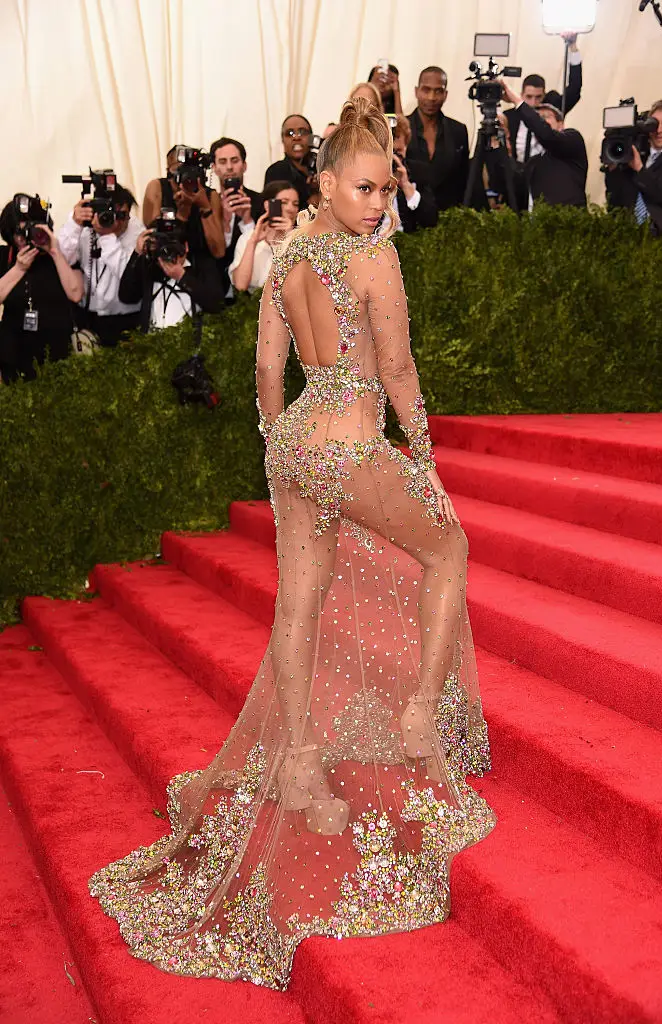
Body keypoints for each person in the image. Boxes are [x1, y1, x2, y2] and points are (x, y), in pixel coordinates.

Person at [89, 96, 496, 990]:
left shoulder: (285, 254)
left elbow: (268, 370)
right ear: (327, 182)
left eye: (385, 191)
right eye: (364, 189)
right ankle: (419, 713)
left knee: (300, 604)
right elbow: (396, 368)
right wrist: (424, 454)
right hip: (348, 444)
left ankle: (302, 763)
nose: (378, 206)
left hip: (296, 446)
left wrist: (281, 443)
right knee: (449, 550)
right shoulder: (375, 258)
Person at [0, 195, 83, 382]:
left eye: (30, 230)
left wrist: (55, 251)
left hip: (57, 353)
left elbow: (76, 294)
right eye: (19, 232)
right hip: (14, 353)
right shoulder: (5, 256)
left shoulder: (61, 254)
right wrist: (18, 269)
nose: (24, 238)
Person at [57, 184, 144, 347]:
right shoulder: (86, 228)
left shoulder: (137, 232)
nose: (116, 222)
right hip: (87, 318)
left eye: (122, 215)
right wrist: (74, 224)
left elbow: (130, 277)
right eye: (110, 214)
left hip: (125, 320)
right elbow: (62, 260)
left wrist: (107, 237)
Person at [118, 221, 224, 332]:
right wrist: (137, 253)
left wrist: (182, 276)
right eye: (162, 247)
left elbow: (216, 304)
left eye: (173, 247)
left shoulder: (202, 268)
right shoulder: (150, 267)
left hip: (189, 339)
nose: (168, 253)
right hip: (152, 339)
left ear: (186, 247)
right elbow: (126, 296)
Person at [501, 83, 587, 209]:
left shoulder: (573, 139)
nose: (542, 121)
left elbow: (547, 135)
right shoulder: (534, 161)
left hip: (568, 219)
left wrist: (516, 101)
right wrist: (502, 148)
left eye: (546, 117)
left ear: (561, 124)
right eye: (539, 118)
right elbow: (515, 182)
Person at [604, 99, 662, 236]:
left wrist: (640, 170)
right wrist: (613, 167)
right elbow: (614, 198)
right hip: (624, 233)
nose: (659, 130)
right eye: (654, 124)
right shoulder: (632, 153)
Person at [505, 34, 583, 165]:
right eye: (529, 97)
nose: (533, 103)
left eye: (538, 97)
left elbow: (574, 88)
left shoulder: (552, 111)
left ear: (544, 95)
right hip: (517, 171)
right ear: (521, 95)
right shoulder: (510, 116)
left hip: (546, 171)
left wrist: (573, 47)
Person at [142, 146, 225, 260]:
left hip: (201, 263)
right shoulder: (158, 187)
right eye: (179, 167)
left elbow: (219, 251)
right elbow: (154, 241)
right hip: (167, 261)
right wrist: (181, 215)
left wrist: (205, 207)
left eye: (190, 168)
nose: (185, 173)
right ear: (169, 170)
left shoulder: (209, 195)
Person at [406, 66, 469, 211]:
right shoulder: (400, 130)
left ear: (445, 94)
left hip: (448, 216)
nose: (431, 97)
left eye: (438, 91)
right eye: (426, 90)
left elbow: (463, 178)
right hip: (408, 215)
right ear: (416, 91)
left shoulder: (458, 131)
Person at [209, 136, 264, 298]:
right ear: (214, 168)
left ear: (244, 165)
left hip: (251, 292)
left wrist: (247, 222)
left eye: (234, 160)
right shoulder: (207, 206)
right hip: (216, 291)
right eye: (223, 162)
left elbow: (263, 252)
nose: (229, 167)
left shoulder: (260, 202)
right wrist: (225, 222)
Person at [229, 181, 299, 293]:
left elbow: (298, 285)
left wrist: (289, 238)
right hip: (252, 302)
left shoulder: (301, 241)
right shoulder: (248, 237)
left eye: (295, 204)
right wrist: (253, 242)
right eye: (284, 202)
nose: (291, 209)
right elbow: (240, 286)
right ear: (268, 205)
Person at [391, 114, 439, 231]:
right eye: (388, 152)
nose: (393, 159)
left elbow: (430, 220)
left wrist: (406, 186)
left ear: (406, 146)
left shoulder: (419, 171)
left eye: (398, 152)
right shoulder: (364, 174)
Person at [264, 114, 317, 210]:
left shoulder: (323, 168)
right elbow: (274, 212)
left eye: (302, 132)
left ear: (312, 139)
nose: (296, 137)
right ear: (283, 141)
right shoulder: (275, 172)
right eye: (290, 133)